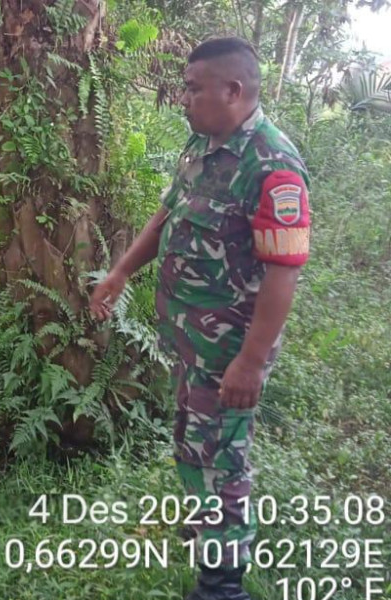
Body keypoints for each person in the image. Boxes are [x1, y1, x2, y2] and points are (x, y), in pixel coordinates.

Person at [90, 37, 310, 600]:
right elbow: (168, 214)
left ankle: (222, 586)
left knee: (223, 461)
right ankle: (207, 539)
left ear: (233, 90)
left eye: (193, 88)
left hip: (230, 352)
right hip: (191, 344)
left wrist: (251, 362)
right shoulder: (202, 145)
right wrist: (120, 274)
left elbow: (283, 273)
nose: (182, 98)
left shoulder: (272, 164)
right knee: (194, 446)